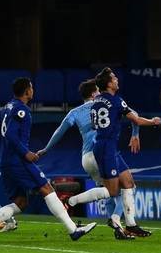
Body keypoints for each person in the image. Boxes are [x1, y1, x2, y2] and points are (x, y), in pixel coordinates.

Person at [0, 77, 97, 245]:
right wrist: (25, 153)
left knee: (20, 203)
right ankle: (73, 230)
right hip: (18, 160)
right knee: (47, 188)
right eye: (31, 88)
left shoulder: (6, 108)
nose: (33, 90)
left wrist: (7, 152)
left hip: (6, 161)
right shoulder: (21, 110)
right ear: (27, 91)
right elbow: (10, 134)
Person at [37, 79, 141, 240]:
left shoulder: (75, 112)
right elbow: (134, 116)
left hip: (86, 158)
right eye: (98, 91)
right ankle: (83, 205)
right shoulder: (106, 104)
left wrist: (46, 149)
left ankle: (117, 229)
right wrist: (135, 134)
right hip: (103, 153)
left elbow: (60, 131)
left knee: (107, 191)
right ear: (94, 94)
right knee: (127, 187)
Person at [64, 67, 161, 238]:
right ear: (109, 84)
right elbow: (136, 119)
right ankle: (71, 201)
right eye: (114, 78)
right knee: (111, 191)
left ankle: (131, 225)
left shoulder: (96, 101)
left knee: (129, 182)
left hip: (106, 146)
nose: (117, 80)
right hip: (106, 147)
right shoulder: (116, 101)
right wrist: (153, 121)